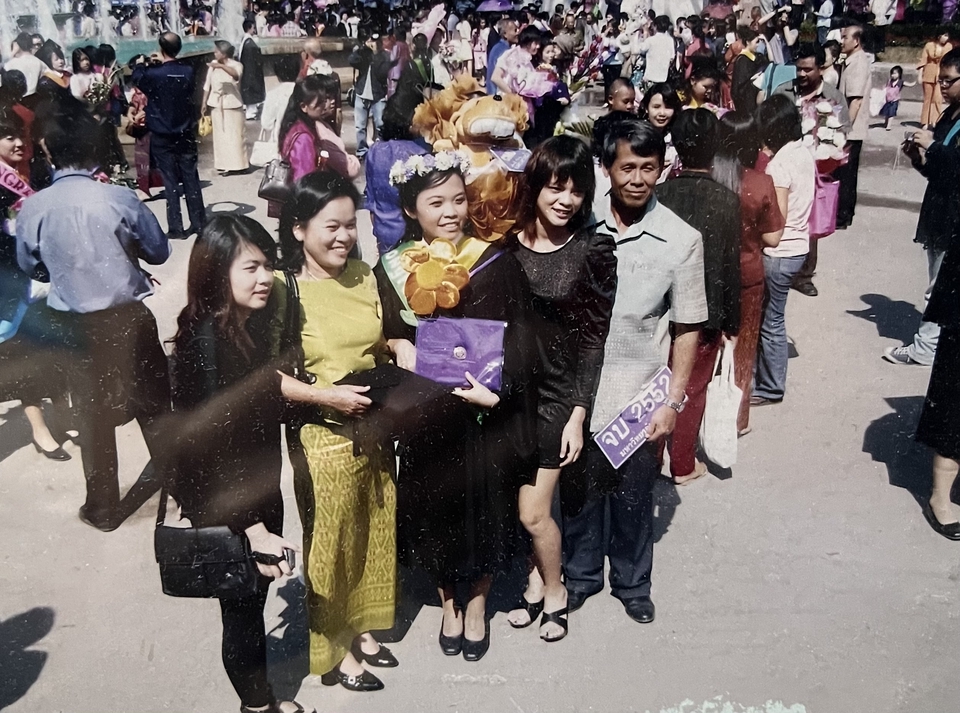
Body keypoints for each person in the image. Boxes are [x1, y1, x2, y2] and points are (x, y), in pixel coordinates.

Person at [375, 154, 538, 662]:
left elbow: (520, 339)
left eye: (458, 200)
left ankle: (478, 604)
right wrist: (394, 343)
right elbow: (385, 332)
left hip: (482, 413)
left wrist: (500, 391)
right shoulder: (394, 266)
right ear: (411, 209)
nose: (451, 212)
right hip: (427, 415)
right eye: (436, 202)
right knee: (436, 511)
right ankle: (449, 602)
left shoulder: (493, 260)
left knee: (487, 508)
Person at [562, 117, 706, 624]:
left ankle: (632, 583)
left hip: (639, 395)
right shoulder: (581, 221)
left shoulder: (681, 239)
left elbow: (688, 327)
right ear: (606, 168)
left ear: (662, 169)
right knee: (578, 492)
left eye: (649, 168)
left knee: (633, 496)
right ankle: (580, 577)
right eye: (628, 168)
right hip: (579, 391)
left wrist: (672, 402)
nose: (639, 179)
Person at [168, 215, 314, 713]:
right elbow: (208, 450)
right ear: (216, 273)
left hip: (253, 491)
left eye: (268, 265)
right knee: (243, 612)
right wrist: (253, 529)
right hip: (233, 506)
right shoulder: (210, 344)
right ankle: (257, 706)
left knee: (251, 602)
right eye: (250, 267)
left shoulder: (239, 331)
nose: (265, 278)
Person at [16, 104, 171, 532]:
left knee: (91, 414)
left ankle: (103, 509)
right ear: (93, 150)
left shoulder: (35, 207)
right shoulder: (118, 197)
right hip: (128, 317)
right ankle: (178, 485)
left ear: (49, 152)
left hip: (75, 327)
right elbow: (159, 251)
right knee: (154, 404)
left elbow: (30, 264)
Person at [278, 172, 398, 690]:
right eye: (331, 226)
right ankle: (335, 649)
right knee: (331, 540)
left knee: (373, 524)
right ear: (299, 229)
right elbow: (265, 376)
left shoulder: (366, 275)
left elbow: (383, 341)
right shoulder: (284, 289)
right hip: (321, 432)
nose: (344, 236)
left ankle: (362, 626)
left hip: (373, 424)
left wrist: (400, 351)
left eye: (351, 225)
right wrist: (326, 396)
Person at [504, 136, 616, 642]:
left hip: (556, 395)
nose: (566, 200)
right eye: (555, 188)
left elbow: (594, 337)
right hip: (508, 394)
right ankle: (533, 581)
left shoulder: (593, 249)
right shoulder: (506, 244)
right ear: (536, 187)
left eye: (576, 190)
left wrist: (578, 411)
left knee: (534, 512)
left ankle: (556, 590)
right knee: (516, 502)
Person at [657, 109, 741, 484]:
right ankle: (682, 463)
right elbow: (729, 267)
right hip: (706, 311)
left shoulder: (660, 193)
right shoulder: (727, 201)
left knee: (658, 380)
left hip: (662, 308)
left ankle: (652, 455)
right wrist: (732, 322)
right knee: (692, 386)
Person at [885, 49, 960, 368]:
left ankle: (924, 348)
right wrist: (919, 159)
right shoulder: (950, 114)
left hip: (953, 215)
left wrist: (932, 146)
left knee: (938, 286)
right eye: (940, 79)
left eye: (949, 80)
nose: (942, 86)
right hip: (940, 209)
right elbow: (939, 169)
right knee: (939, 282)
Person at [0, 109, 68, 461]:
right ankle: (40, 429)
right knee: (26, 354)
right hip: (14, 285)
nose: (17, 143)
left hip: (43, 276)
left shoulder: (37, 170)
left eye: (19, 136)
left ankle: (62, 415)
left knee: (52, 348)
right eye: (8, 137)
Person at [711, 112, 784, 436]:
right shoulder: (760, 182)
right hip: (746, 274)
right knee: (743, 349)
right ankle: (736, 421)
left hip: (709, 273)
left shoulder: (707, 177)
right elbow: (773, 238)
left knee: (705, 345)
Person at [772, 42, 850, 298]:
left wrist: (830, 155)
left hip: (816, 170)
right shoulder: (784, 91)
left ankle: (804, 275)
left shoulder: (833, 97)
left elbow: (842, 133)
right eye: (799, 69)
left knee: (810, 223)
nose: (802, 74)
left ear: (821, 68)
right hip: (784, 164)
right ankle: (778, 268)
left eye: (808, 69)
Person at [752, 95, 814, 407]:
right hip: (798, 247)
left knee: (771, 321)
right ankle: (766, 380)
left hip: (780, 252)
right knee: (772, 318)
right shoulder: (803, 151)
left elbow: (778, 218)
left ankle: (771, 387)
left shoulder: (779, 165)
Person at [132, 32, 206, 240]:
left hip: (161, 132)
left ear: (161, 48)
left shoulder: (154, 74)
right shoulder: (188, 71)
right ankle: (199, 223)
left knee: (170, 180)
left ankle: (176, 227)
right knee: (191, 177)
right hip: (184, 131)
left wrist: (142, 63)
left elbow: (137, 77)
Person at [834, 22, 871, 230]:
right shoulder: (851, 61)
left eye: (845, 37)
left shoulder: (858, 63)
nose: (842, 41)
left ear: (856, 41)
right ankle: (845, 213)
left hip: (851, 130)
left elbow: (855, 101)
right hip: (851, 128)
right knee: (847, 173)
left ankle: (843, 216)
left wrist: (843, 130)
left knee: (846, 174)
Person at [201, 41, 248, 176]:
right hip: (217, 103)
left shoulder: (237, 65)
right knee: (221, 136)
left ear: (224, 53)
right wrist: (204, 102)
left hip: (232, 103)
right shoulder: (213, 65)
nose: (214, 53)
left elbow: (236, 75)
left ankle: (239, 165)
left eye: (217, 51)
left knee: (235, 136)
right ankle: (224, 165)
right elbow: (207, 85)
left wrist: (221, 66)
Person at [125, 57, 164, 198]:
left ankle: (167, 183)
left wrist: (143, 113)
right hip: (141, 126)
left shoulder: (155, 83)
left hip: (154, 123)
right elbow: (133, 103)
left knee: (158, 155)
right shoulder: (137, 87)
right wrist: (130, 112)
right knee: (143, 157)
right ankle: (145, 187)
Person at [349, 31, 391, 161]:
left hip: (378, 94)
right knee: (360, 125)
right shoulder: (363, 54)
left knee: (380, 124)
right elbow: (352, 60)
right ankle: (362, 151)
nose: (373, 44)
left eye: (376, 41)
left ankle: (381, 149)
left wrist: (376, 55)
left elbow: (384, 72)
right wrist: (362, 49)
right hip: (361, 92)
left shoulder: (385, 56)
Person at [260, 55, 299, 151]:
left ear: (277, 74)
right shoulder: (303, 91)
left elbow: (266, 123)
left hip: (279, 142)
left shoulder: (273, 94)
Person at [918, 32, 954, 128]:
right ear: (939, 35)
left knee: (938, 99)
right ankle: (925, 122)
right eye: (944, 35)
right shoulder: (929, 45)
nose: (946, 38)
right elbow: (923, 60)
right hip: (928, 73)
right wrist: (920, 75)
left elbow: (948, 61)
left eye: (947, 36)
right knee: (927, 99)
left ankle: (936, 121)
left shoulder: (949, 46)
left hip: (941, 75)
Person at [4, 32, 47, 104]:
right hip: (36, 102)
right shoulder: (40, 63)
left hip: (16, 104)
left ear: (18, 46)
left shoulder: (10, 64)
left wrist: (12, 54)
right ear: (31, 45)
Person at [731, 27, 764, 114]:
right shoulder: (742, 60)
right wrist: (753, 79)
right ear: (748, 42)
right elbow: (740, 86)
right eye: (756, 42)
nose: (758, 45)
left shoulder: (755, 57)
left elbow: (771, 60)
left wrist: (767, 43)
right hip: (746, 103)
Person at [635, 15, 676, 85]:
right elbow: (672, 57)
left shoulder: (651, 40)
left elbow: (638, 49)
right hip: (663, 78)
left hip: (650, 78)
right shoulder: (670, 40)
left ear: (655, 26)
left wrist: (640, 33)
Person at [239, 20, 266, 120]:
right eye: (253, 28)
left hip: (247, 72)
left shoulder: (245, 41)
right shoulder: (250, 44)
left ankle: (251, 112)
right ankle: (251, 114)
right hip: (251, 73)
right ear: (249, 28)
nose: (254, 30)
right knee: (252, 95)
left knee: (250, 96)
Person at [486, 18, 518, 94]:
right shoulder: (503, 50)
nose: (517, 33)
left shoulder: (498, 47)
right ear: (505, 34)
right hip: (497, 93)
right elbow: (496, 77)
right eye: (515, 30)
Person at [880, 65, 916, 131]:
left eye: (895, 73)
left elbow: (909, 84)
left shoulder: (900, 82)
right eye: (892, 73)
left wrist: (915, 83)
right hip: (887, 99)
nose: (893, 75)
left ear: (899, 74)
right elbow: (885, 87)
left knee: (891, 113)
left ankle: (888, 125)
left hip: (894, 100)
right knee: (886, 113)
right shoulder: (889, 81)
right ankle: (886, 123)